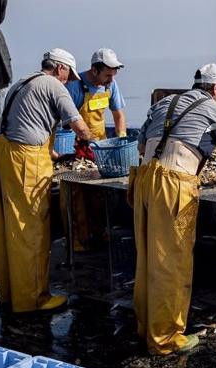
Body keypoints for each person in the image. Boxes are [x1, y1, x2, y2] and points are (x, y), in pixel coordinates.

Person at [131, 64, 216, 354]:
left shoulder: (163, 103)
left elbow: (140, 145)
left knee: (147, 257)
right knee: (171, 261)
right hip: (174, 184)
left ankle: (145, 327)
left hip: (143, 181)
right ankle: (166, 338)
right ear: (215, 88)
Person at [0, 48, 94, 313]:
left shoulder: (22, 83)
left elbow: (26, 121)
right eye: (68, 75)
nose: (68, 80)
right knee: (31, 228)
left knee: (8, 226)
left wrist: (51, 153)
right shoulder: (53, 85)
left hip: (2, 152)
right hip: (25, 158)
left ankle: (10, 294)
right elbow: (79, 126)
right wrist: (94, 144)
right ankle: (33, 299)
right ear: (60, 68)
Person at [63, 48, 128, 251]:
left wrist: (122, 141)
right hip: (78, 148)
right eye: (107, 74)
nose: (111, 78)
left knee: (99, 193)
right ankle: (77, 240)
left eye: (113, 74)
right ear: (94, 70)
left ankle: (99, 232)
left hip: (100, 148)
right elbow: (65, 121)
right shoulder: (75, 86)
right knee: (77, 195)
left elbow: (118, 115)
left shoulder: (111, 85)